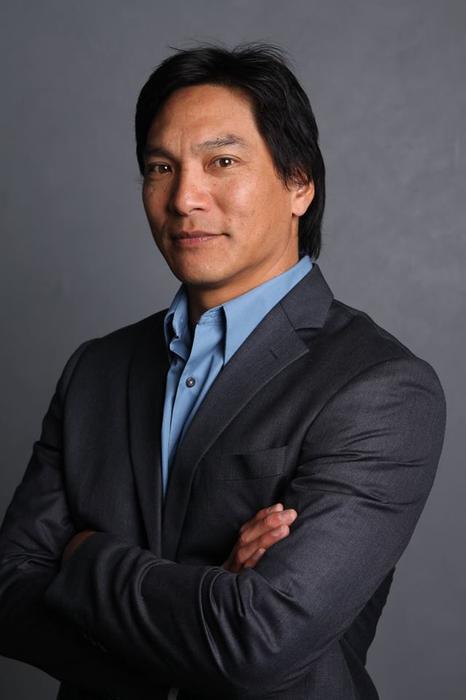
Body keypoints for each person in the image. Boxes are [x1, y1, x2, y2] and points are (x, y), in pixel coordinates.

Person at [0, 44, 446, 700]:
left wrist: (79, 554)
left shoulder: (381, 387)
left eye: (222, 162)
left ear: (299, 183)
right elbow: (10, 588)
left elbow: (258, 642)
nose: (184, 198)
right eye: (161, 167)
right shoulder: (96, 370)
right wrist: (207, 599)